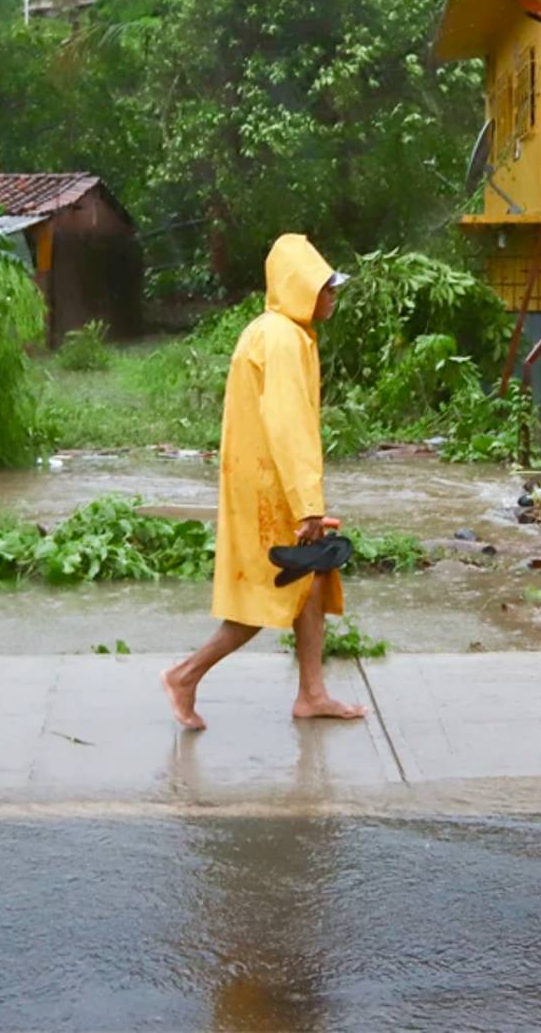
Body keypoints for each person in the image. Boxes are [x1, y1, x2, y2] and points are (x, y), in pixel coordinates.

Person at [163, 234, 367, 731]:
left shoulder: (278, 332)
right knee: (266, 594)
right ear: (302, 288)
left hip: (264, 485)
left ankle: (312, 693)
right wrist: (307, 507)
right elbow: (287, 423)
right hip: (269, 493)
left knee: (312, 578)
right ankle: (186, 675)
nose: (332, 296)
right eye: (326, 288)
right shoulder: (281, 340)